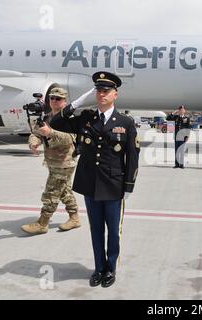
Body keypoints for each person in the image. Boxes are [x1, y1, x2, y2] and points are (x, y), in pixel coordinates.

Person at [50, 71, 140, 288]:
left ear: (115, 95)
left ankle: (111, 268)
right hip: (90, 184)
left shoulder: (125, 122)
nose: (101, 94)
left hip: (114, 185)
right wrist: (79, 100)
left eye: (106, 90)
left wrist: (129, 185)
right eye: (98, 90)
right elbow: (56, 122)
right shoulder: (86, 119)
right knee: (96, 229)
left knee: (114, 232)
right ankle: (99, 268)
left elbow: (132, 156)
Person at [21, 87, 80, 235]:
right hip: (52, 161)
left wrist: (51, 132)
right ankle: (74, 218)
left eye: (58, 99)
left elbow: (71, 138)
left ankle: (43, 223)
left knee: (51, 192)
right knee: (64, 191)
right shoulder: (46, 117)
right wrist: (33, 142)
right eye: (52, 98)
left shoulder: (70, 119)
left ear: (65, 101)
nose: (54, 101)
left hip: (64, 162)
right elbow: (36, 132)